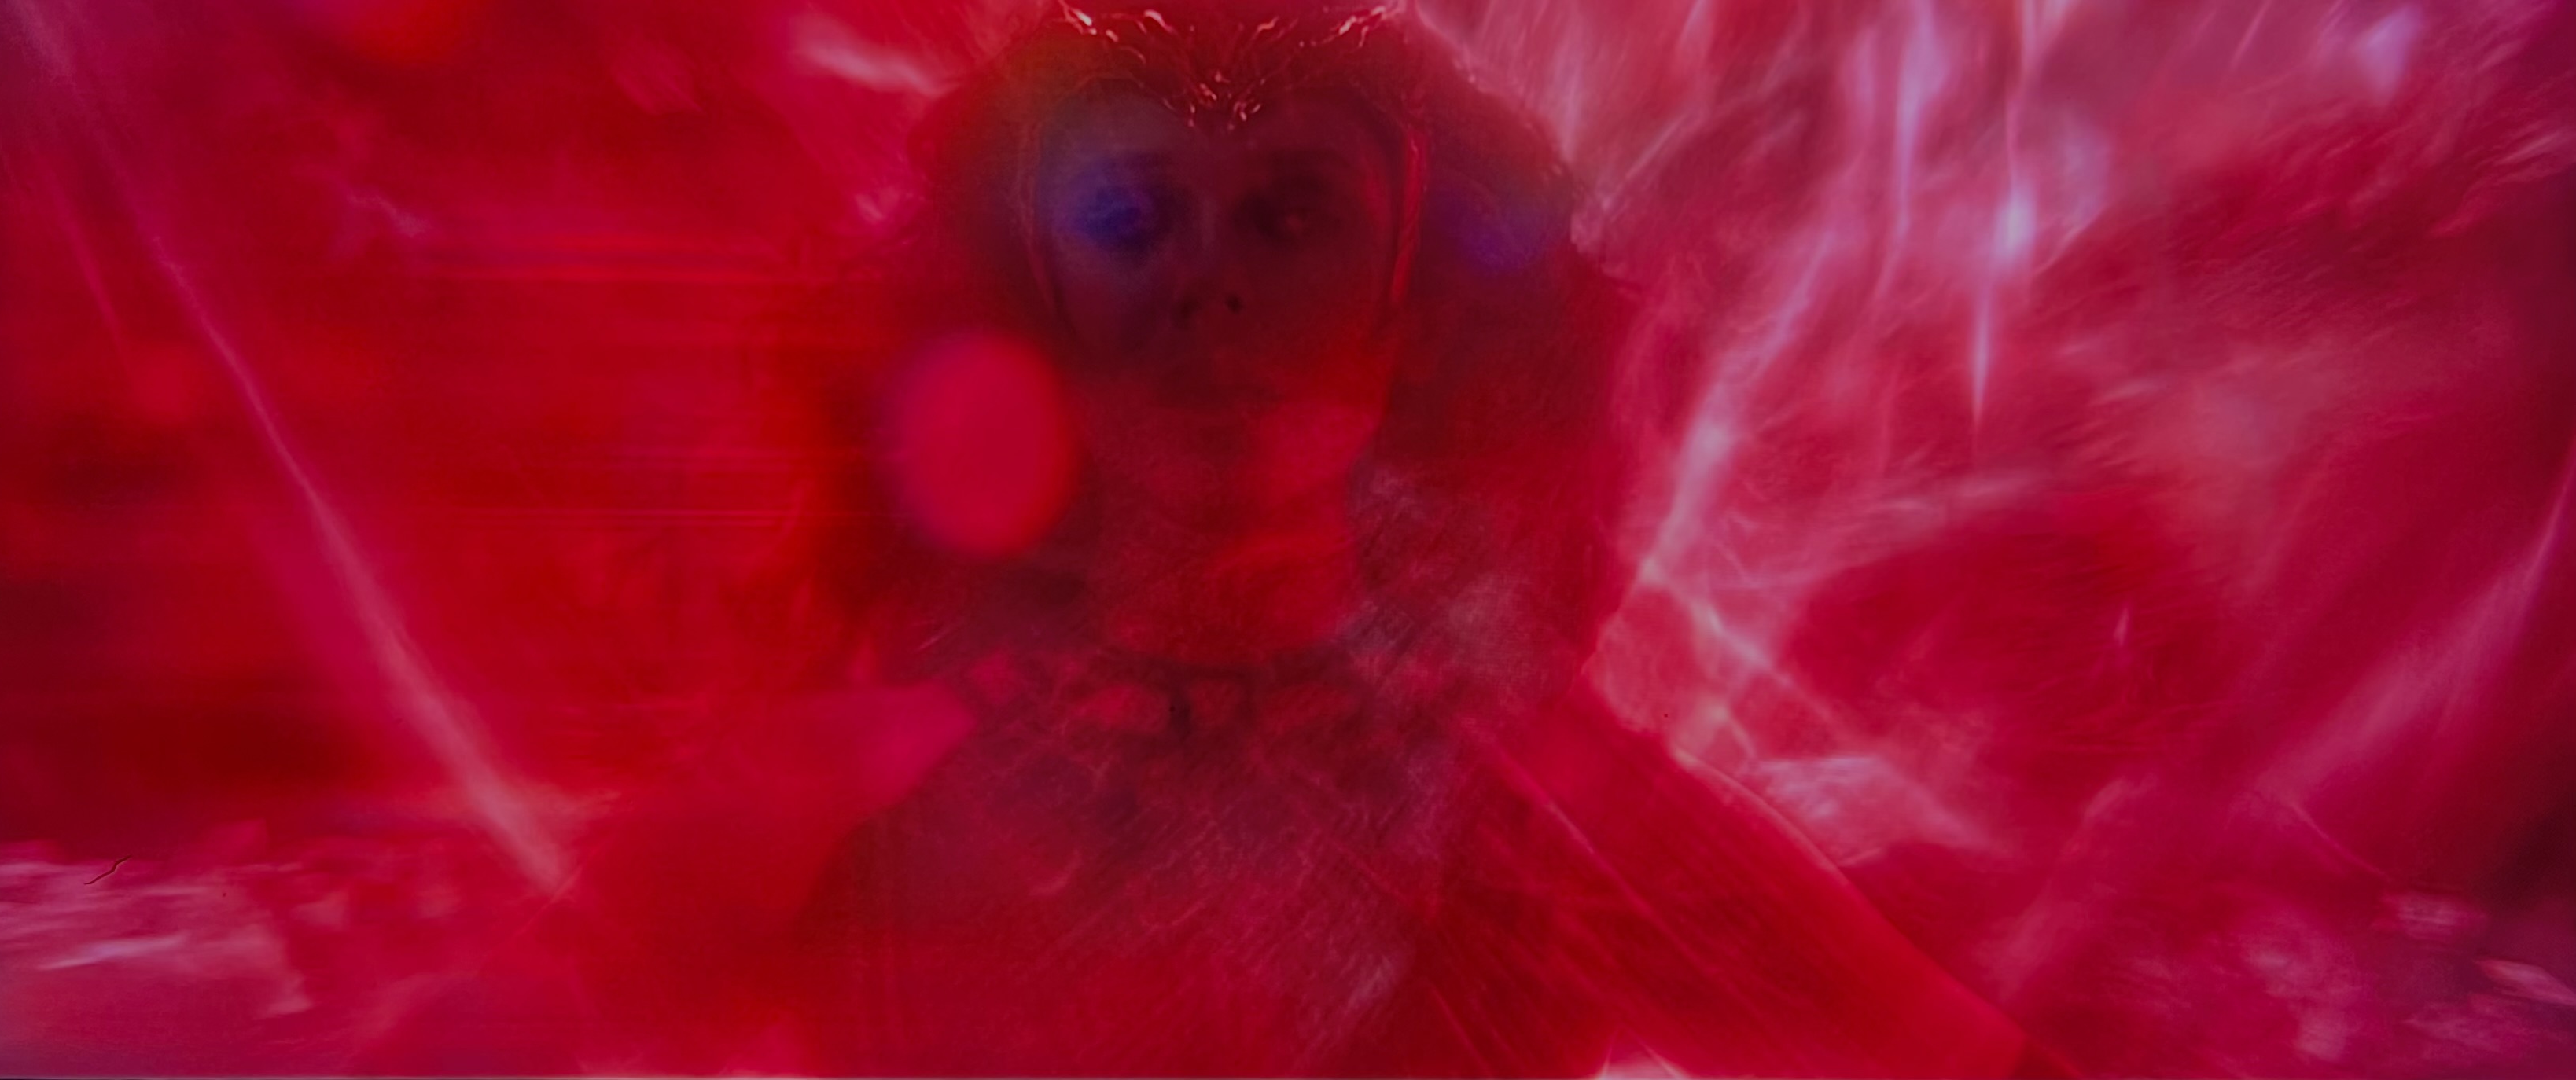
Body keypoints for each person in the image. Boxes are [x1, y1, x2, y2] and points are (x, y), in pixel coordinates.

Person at [528, 2, 2057, 1074]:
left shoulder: (1551, 815)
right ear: (1029, 309)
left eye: (1290, 217)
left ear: (1420, 313)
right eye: (1131, 219)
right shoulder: (832, 795)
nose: (1211, 293)